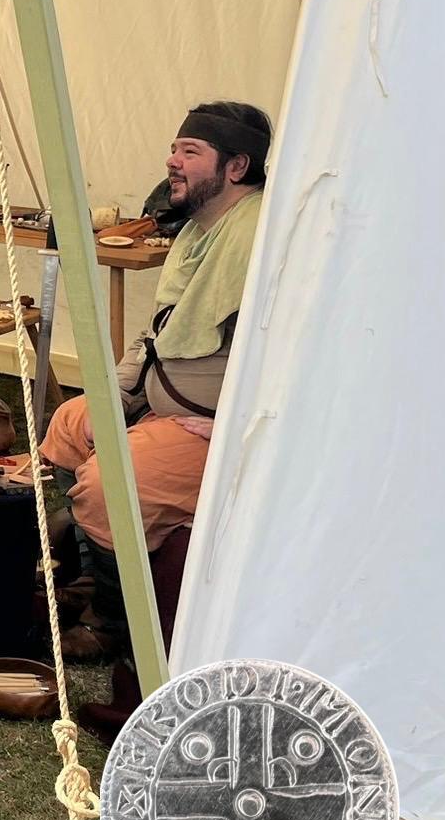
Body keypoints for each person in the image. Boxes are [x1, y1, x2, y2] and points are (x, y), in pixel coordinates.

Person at [41, 100, 272, 660]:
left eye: (190, 152)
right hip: (167, 410)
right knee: (72, 421)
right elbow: (158, 335)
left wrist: (233, 426)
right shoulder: (200, 235)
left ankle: (114, 622)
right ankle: (94, 573)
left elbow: (291, 356)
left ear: (236, 167)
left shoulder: (265, 243)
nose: (172, 161)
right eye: (174, 148)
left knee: (107, 484)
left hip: (217, 431)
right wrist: (114, 394)